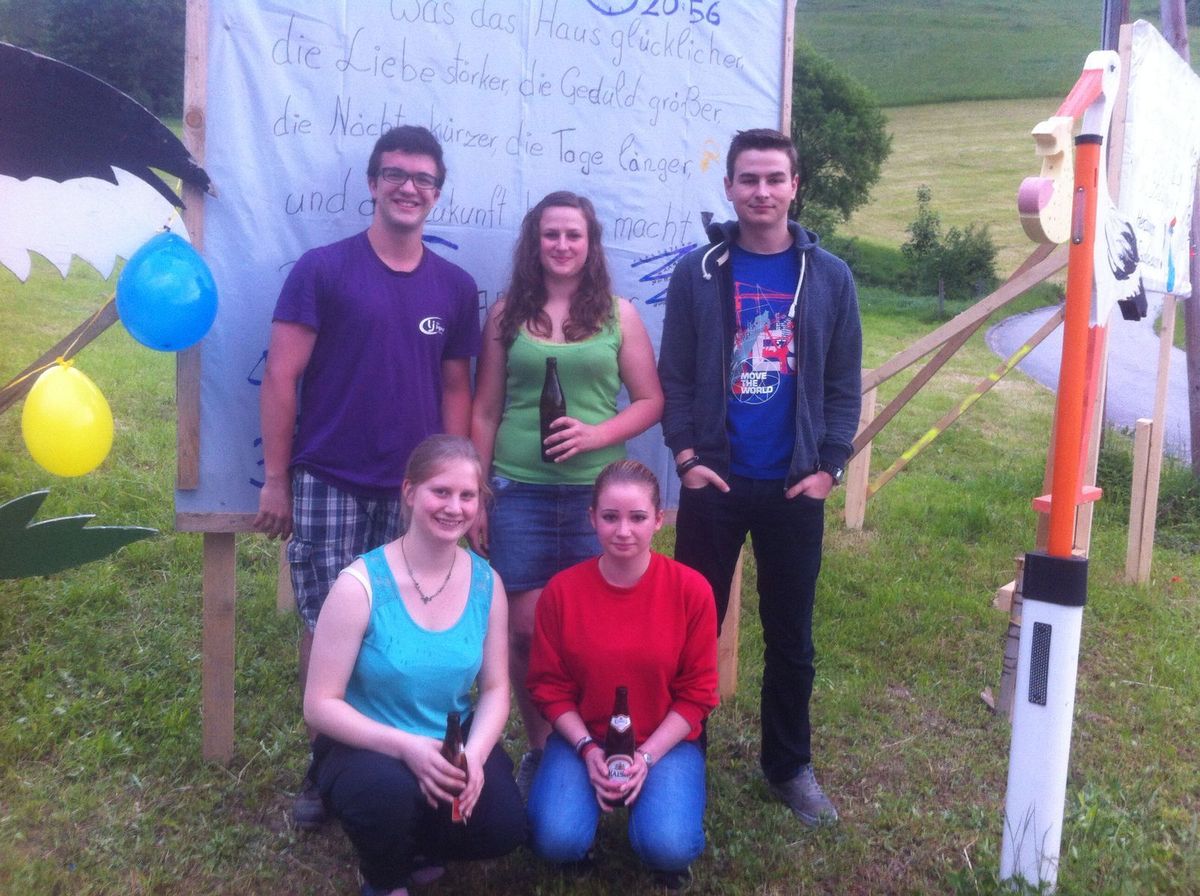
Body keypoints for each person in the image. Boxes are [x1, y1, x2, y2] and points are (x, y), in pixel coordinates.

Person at [253, 126, 481, 827]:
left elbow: (456, 390)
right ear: (373, 182)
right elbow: (282, 377)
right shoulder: (322, 270)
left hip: (417, 495)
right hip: (329, 478)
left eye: (423, 178)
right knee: (330, 627)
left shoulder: (455, 287)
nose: (409, 187)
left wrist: (462, 486)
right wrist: (276, 479)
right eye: (396, 174)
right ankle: (326, 764)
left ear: (438, 193)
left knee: (399, 632)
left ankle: (391, 757)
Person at [657, 128, 862, 826]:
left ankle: (788, 767)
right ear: (729, 187)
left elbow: (842, 383)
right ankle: (683, 757)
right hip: (714, 484)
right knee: (692, 631)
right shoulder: (699, 272)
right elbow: (675, 375)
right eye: (749, 179)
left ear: (795, 187)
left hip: (793, 486)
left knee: (791, 637)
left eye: (775, 178)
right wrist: (687, 458)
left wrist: (829, 466)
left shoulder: (829, 277)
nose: (762, 191)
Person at [469, 190, 663, 798]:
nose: (561, 245)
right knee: (525, 633)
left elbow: (651, 401)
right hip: (517, 492)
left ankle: (601, 740)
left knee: (592, 630)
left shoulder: (619, 316)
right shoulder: (506, 314)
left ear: (590, 244)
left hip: (595, 500)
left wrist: (596, 434)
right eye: (550, 234)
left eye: (573, 235)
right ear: (535, 242)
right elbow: (485, 409)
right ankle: (541, 748)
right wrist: (477, 493)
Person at [304, 435, 526, 896]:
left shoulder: (487, 584)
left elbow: (496, 689)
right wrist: (406, 747)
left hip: (449, 742)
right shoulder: (359, 585)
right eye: (440, 492)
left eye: (467, 495)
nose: (454, 507)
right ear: (409, 492)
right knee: (385, 796)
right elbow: (320, 705)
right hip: (367, 742)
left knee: (504, 825)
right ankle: (384, 876)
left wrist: (474, 757)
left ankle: (422, 843)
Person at [526, 460, 718, 890]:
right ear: (592, 518)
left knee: (668, 846)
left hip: (664, 743)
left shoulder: (691, 590)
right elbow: (548, 687)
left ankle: (659, 819)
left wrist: (646, 758)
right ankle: (579, 832)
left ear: (659, 520)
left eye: (638, 517)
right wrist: (587, 750)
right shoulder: (562, 591)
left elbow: (699, 693)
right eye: (610, 517)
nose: (624, 531)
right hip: (586, 738)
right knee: (554, 840)